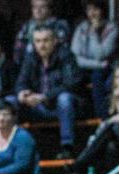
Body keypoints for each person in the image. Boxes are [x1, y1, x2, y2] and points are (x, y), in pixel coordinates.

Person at [14, 25, 82, 159]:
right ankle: (14, 148)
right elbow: (20, 82)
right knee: (11, 101)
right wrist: (22, 93)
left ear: (55, 41)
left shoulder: (66, 55)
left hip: (63, 107)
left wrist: (44, 96)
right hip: (38, 107)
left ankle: (67, 147)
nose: (42, 45)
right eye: (38, 41)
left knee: (64, 98)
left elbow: (72, 84)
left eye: (46, 40)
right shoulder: (30, 58)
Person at [71, 0, 117, 118]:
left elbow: (100, 54)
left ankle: (102, 117)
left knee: (97, 76)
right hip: (88, 67)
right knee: (73, 77)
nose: (92, 13)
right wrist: (99, 64)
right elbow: (77, 57)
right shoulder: (81, 28)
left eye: (95, 9)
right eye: (89, 10)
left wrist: (93, 34)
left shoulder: (112, 29)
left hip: (105, 71)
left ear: (102, 10)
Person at [13, 0, 71, 64]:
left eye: (42, 7)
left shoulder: (60, 25)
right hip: (28, 66)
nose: (38, 10)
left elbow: (62, 51)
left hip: (53, 66)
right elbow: (18, 49)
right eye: (35, 7)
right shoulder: (27, 26)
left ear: (50, 9)